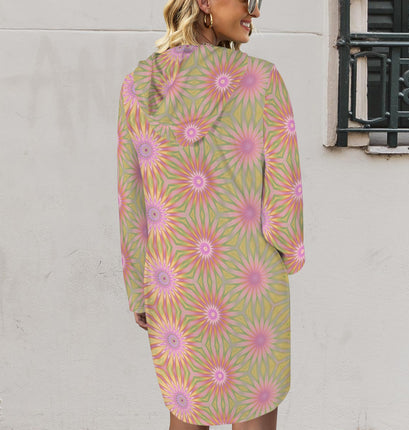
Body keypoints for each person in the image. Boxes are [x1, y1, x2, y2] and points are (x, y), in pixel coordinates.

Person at [116, 0, 305, 428]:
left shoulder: (137, 85)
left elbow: (132, 195)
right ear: (203, 1)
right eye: (248, 1)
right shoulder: (262, 80)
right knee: (255, 406)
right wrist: (288, 254)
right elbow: (284, 193)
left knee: (187, 410)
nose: (255, 12)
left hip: (173, 282)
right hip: (251, 280)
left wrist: (138, 289)